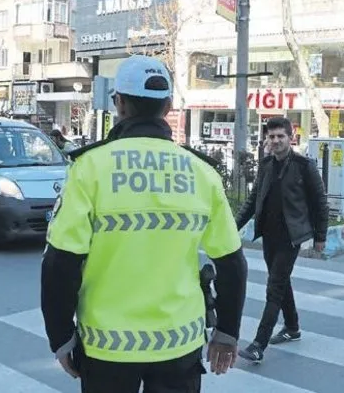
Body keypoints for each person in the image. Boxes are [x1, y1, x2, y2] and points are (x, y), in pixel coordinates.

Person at [40, 55, 248, 393]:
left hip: (105, 349)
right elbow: (231, 262)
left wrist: (60, 338)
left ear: (119, 104)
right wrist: (227, 331)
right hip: (179, 345)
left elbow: (59, 262)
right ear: (167, 106)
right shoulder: (202, 172)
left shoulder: (89, 169)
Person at [235, 116, 329, 363]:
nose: (275, 141)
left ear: (291, 138)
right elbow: (253, 200)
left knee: (274, 287)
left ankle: (258, 344)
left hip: (291, 237)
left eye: (280, 136)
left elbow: (320, 203)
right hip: (269, 235)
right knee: (281, 280)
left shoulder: (304, 166)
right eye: (272, 136)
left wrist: (321, 236)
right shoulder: (266, 165)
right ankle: (292, 327)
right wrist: (233, 227)